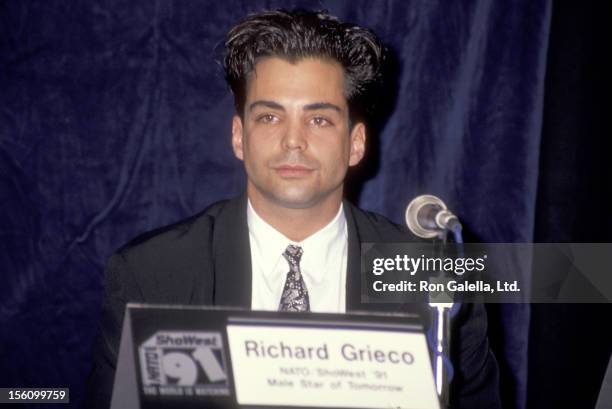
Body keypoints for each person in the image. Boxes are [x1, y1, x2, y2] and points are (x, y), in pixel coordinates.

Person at [86, 9, 501, 408]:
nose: (292, 141)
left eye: (318, 120)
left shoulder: (435, 285)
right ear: (238, 136)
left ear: (356, 143)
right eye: (269, 117)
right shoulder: (152, 276)